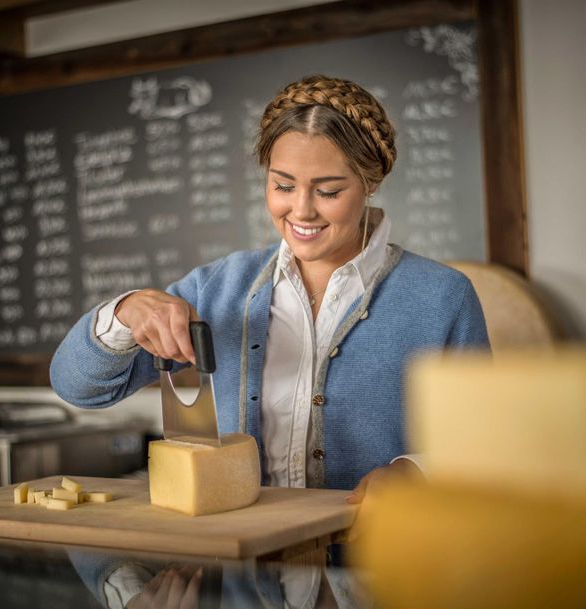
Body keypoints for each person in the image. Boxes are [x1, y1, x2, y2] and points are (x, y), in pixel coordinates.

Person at [52, 74, 489, 608]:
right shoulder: (217, 290)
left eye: (328, 191)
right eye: (283, 186)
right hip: (235, 582)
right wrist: (123, 313)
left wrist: (414, 473)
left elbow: (485, 449)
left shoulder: (442, 297)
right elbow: (77, 388)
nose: (301, 211)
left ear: (370, 181)